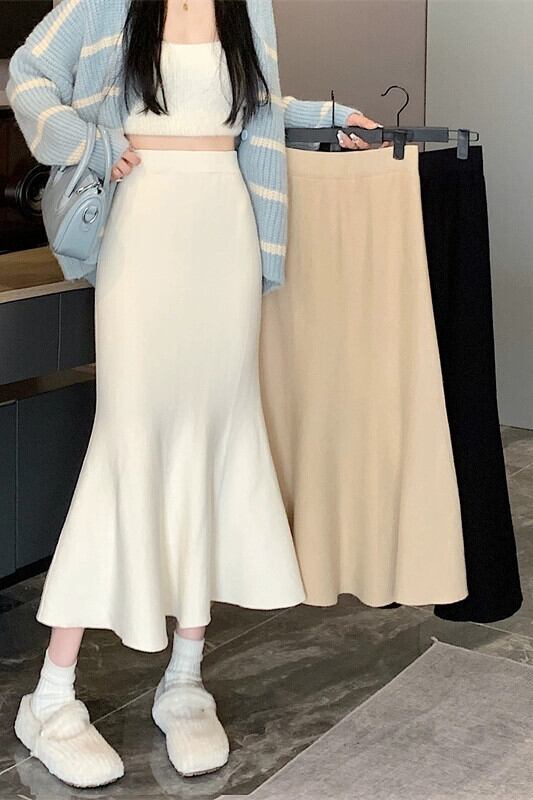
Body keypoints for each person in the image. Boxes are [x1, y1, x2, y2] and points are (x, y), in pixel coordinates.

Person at [6, 0, 386, 788]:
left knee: (218, 438)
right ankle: (50, 696)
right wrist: (89, 143)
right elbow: (27, 73)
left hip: (226, 232)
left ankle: (185, 678)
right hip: (142, 229)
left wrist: (323, 118)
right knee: (129, 443)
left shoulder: (249, 8)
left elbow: (251, 109)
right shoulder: (104, 3)